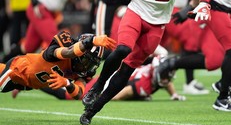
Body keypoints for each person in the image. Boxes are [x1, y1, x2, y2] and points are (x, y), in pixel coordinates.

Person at [79, 0, 213, 125]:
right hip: (136, 12)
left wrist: (204, 4)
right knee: (123, 49)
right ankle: (97, 86)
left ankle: (94, 110)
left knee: (128, 69)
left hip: (158, 24)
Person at [0, 30, 116, 99]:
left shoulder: (82, 72)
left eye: (91, 64)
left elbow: (78, 94)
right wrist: (90, 41)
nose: (86, 67)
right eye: (86, 61)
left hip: (28, 84)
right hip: (18, 69)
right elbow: (67, 53)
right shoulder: (60, 48)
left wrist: (67, 84)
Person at [22, 55, 185, 101]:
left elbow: (165, 81)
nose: (167, 78)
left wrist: (174, 94)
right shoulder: (145, 83)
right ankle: (27, 81)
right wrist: (101, 98)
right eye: (164, 73)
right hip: (101, 86)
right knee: (66, 94)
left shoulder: (154, 70)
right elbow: (124, 93)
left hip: (105, 79)